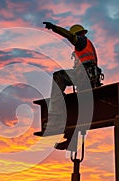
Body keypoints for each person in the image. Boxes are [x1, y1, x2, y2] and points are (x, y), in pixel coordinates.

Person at [42, 22, 104, 150]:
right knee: (77, 110)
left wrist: (54, 28)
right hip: (89, 79)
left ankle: (55, 118)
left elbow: (69, 36)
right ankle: (71, 140)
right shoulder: (87, 46)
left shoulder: (81, 41)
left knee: (58, 76)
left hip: (85, 75)